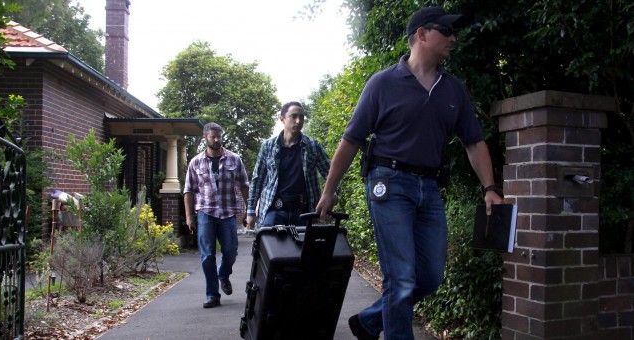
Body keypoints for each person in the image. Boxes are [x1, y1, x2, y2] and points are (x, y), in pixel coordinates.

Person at [315, 7, 504, 340]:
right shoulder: (383, 83)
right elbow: (352, 139)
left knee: (430, 276)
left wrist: (490, 186)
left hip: (429, 188)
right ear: (422, 34)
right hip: (389, 184)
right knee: (400, 277)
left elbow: (474, 142)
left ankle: (372, 321)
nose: (453, 38)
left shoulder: (453, 89)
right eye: (446, 31)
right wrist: (330, 189)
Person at [183, 122, 249, 308]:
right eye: (213, 136)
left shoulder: (234, 159)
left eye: (219, 136)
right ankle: (212, 294)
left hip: (228, 213)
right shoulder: (196, 162)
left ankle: (223, 274)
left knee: (230, 251)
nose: (217, 140)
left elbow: (244, 185)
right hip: (206, 213)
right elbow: (188, 191)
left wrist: (249, 210)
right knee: (207, 255)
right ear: (205, 138)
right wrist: (189, 216)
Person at [246, 101, 333, 229]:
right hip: (274, 210)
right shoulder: (268, 146)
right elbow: (257, 180)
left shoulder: (313, 146)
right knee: (268, 246)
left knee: (304, 249)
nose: (298, 121)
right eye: (293, 116)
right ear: (282, 119)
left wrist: (332, 194)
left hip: (304, 211)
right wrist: (251, 211)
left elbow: (331, 174)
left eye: (302, 117)